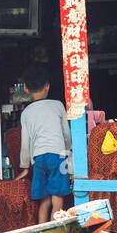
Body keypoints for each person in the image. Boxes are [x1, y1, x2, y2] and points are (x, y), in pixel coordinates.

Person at [14, 64, 72, 224]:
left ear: (25, 88)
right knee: (58, 197)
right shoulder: (58, 105)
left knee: (44, 200)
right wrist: (68, 150)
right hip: (58, 155)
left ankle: (41, 232)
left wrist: (25, 166)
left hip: (38, 158)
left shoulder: (26, 113)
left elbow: (25, 143)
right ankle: (55, 232)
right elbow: (66, 133)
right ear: (47, 86)